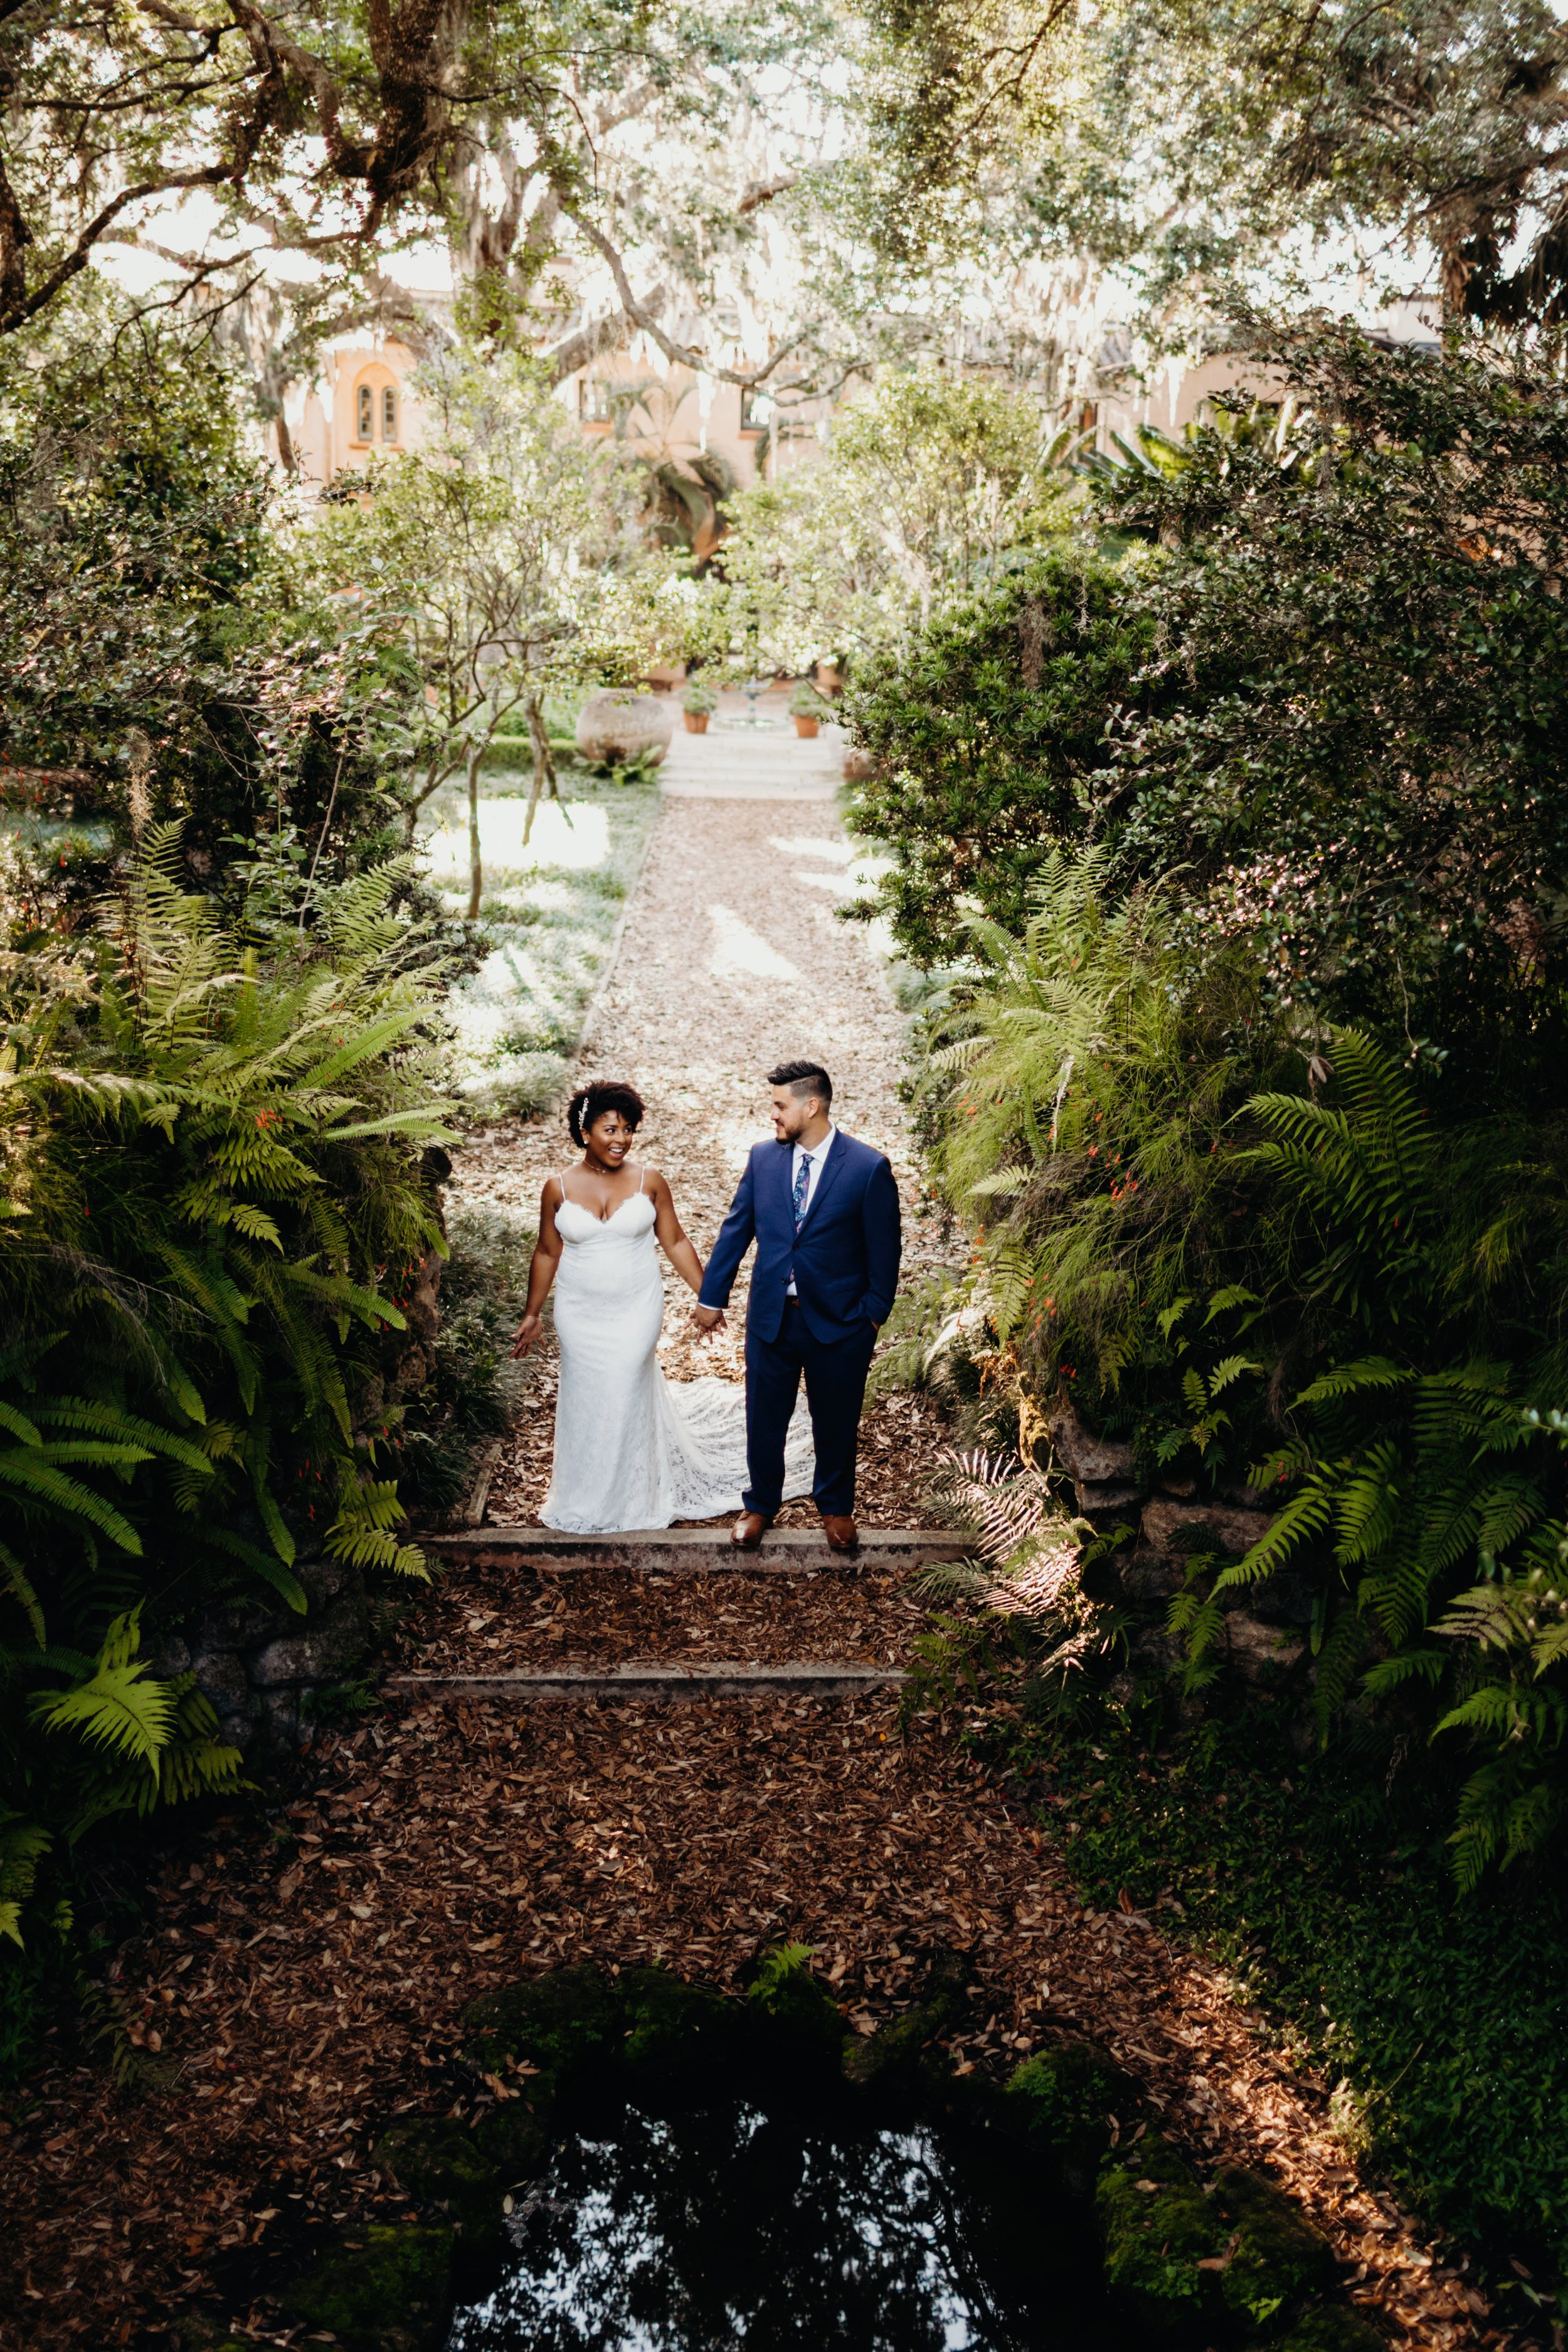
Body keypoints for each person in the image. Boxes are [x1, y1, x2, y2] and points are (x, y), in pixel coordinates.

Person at [510, 1079, 812, 1533]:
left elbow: (674, 1240)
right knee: (588, 1398)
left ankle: (634, 1494)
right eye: (610, 1129)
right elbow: (547, 1251)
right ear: (585, 1131)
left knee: (626, 1385)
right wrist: (532, 1313)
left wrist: (709, 1297)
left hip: (636, 1307)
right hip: (579, 1311)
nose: (622, 1139)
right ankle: (583, 1495)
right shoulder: (557, 1188)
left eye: (628, 1129)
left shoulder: (650, 1181)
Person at [691, 1060, 901, 1554]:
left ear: (812, 1105)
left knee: (837, 1418)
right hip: (771, 1317)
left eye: (780, 1106)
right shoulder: (763, 1159)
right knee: (764, 1416)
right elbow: (735, 1230)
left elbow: (885, 1251)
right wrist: (711, 1298)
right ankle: (760, 1505)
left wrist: (871, 1316)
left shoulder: (868, 1167)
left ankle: (837, 1510)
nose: (773, 1115)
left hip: (840, 1322)